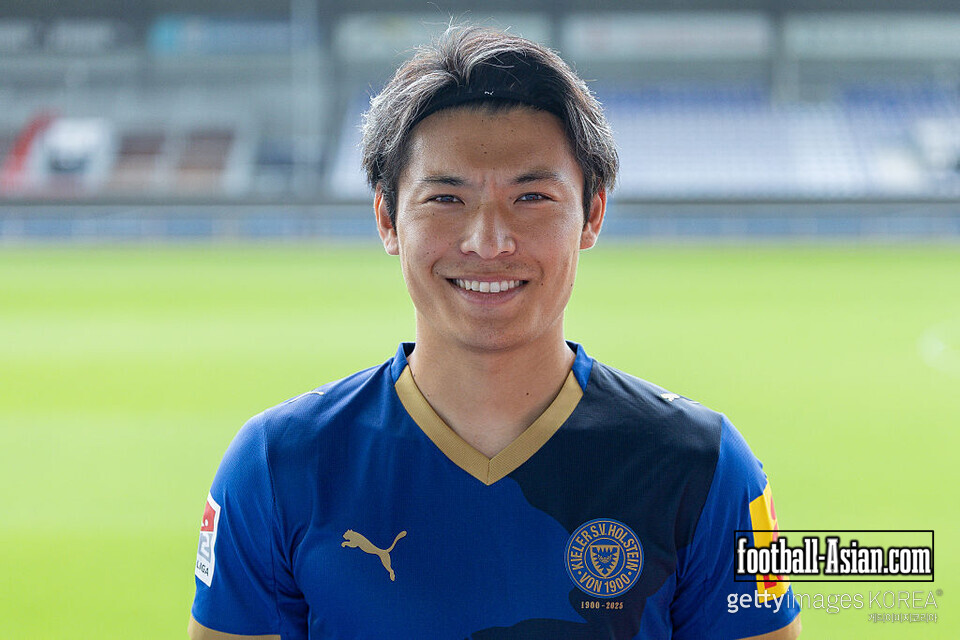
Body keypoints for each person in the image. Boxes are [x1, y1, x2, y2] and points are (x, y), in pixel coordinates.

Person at [189, 24, 801, 640]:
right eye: (446, 200)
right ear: (386, 216)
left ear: (592, 213)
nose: (488, 242)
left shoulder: (707, 466)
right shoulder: (276, 466)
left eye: (531, 197)